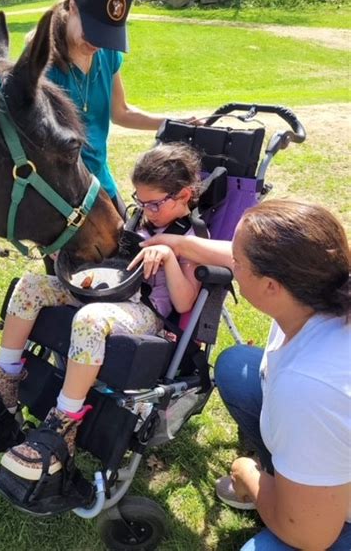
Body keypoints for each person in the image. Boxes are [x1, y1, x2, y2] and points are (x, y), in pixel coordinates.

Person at [0, 142, 203, 479]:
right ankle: (3, 384)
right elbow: (114, 261)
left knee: (89, 320)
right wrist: (87, 270)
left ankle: (64, 425)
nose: (145, 210)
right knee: (32, 287)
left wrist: (167, 256)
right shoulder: (138, 219)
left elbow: (184, 303)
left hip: (146, 313)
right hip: (110, 295)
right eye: (140, 201)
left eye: (155, 204)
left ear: (184, 195)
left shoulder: (193, 235)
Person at [141, 199, 350, 550]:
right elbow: (227, 253)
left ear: (271, 285)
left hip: (330, 520)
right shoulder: (318, 289)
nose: (231, 265)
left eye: (238, 263)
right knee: (237, 366)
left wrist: (247, 474)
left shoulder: (309, 386)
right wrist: (174, 243)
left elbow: (310, 537)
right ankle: (297, 477)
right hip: (328, 436)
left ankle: (299, 491)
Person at [28, 0, 196, 213]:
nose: (97, 43)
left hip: (100, 182)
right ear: (73, 6)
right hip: (63, 195)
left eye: (106, 34)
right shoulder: (41, 64)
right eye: (93, 31)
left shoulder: (106, 54)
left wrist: (175, 122)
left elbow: (121, 112)